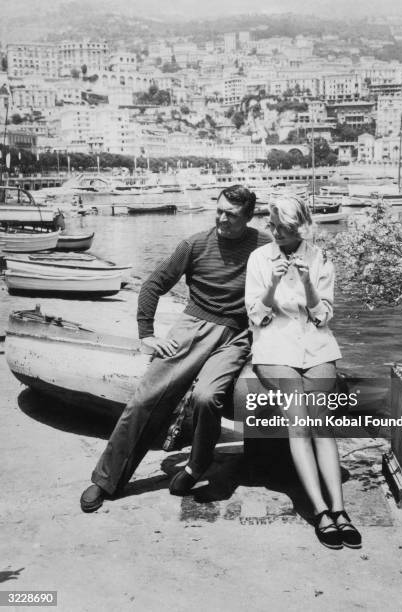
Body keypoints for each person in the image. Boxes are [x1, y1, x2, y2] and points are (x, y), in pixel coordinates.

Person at [80, 185, 270, 512]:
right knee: (145, 398)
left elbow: (295, 275)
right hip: (192, 327)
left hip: (236, 335)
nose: (222, 219)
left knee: (207, 398)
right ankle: (105, 480)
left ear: (249, 217)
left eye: (232, 215)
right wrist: (147, 334)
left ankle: (196, 465)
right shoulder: (193, 244)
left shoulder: (264, 245)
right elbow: (153, 284)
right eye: (219, 210)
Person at [245, 194, 362, 549]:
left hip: (316, 349)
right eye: (274, 226)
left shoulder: (321, 258)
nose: (277, 233)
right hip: (274, 350)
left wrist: (309, 284)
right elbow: (256, 315)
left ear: (301, 227)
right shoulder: (259, 258)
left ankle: (341, 511)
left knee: (322, 426)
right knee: (300, 424)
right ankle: (321, 512)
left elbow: (323, 316)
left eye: (285, 228)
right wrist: (273, 286)